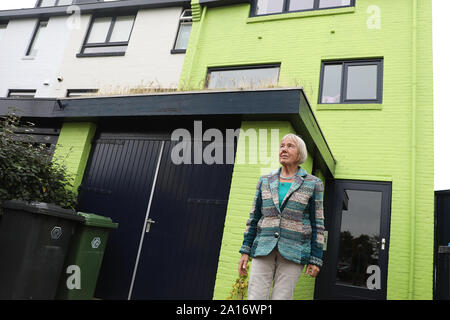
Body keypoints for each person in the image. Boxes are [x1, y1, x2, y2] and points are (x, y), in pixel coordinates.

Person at [238, 133, 325, 300]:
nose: (284, 149)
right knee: (255, 298)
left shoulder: (313, 184)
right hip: (263, 247)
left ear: (300, 154)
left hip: (294, 250)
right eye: (282, 146)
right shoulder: (264, 180)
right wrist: (245, 250)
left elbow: (318, 223)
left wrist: (316, 258)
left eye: (290, 146)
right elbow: (254, 217)